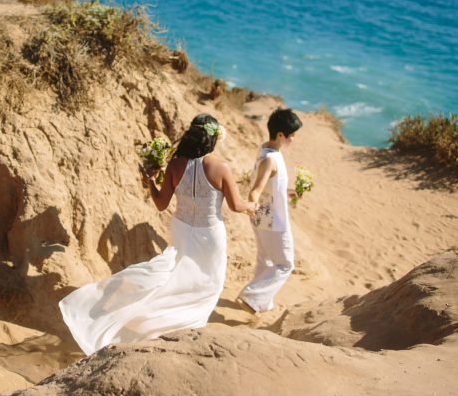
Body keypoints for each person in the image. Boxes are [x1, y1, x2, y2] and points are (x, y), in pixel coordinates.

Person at [59, 113, 256, 355]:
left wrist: (151, 181)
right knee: (207, 284)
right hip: (209, 234)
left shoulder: (175, 164)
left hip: (182, 229)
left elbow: (161, 204)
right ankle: (186, 329)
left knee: (172, 275)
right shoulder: (220, 167)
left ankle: (141, 318)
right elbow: (236, 206)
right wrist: (252, 206)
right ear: (213, 139)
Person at [237, 108, 303, 314]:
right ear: (281, 135)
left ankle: (262, 303)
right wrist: (252, 202)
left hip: (263, 217)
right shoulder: (270, 159)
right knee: (285, 264)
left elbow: (269, 185)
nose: (294, 139)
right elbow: (257, 188)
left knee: (264, 259)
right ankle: (252, 296)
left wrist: (284, 191)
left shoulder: (266, 149)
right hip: (272, 220)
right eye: (292, 135)